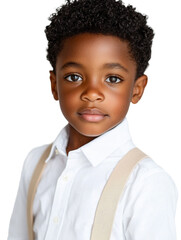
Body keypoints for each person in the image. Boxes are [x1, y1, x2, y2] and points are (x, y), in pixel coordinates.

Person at [8, 0, 178, 239]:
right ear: (54, 85)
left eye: (113, 79)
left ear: (137, 89)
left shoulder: (146, 183)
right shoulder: (35, 163)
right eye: (74, 76)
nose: (91, 93)